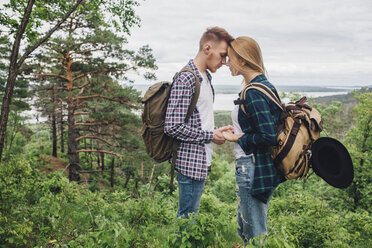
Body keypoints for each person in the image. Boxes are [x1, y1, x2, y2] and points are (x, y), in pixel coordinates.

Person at [164, 27, 234, 218]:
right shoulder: (187, 78)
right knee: (187, 220)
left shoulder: (206, 78)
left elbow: (197, 121)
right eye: (222, 55)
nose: (224, 62)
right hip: (189, 162)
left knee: (190, 218)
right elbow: (172, 126)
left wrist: (217, 131)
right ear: (207, 48)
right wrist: (210, 136)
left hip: (200, 161)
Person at [222, 36, 285, 246]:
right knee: (248, 230)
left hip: (252, 168)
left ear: (242, 60)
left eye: (229, 58)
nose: (226, 63)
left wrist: (237, 137)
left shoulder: (254, 92)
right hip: (257, 167)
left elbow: (268, 136)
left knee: (254, 235)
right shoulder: (263, 85)